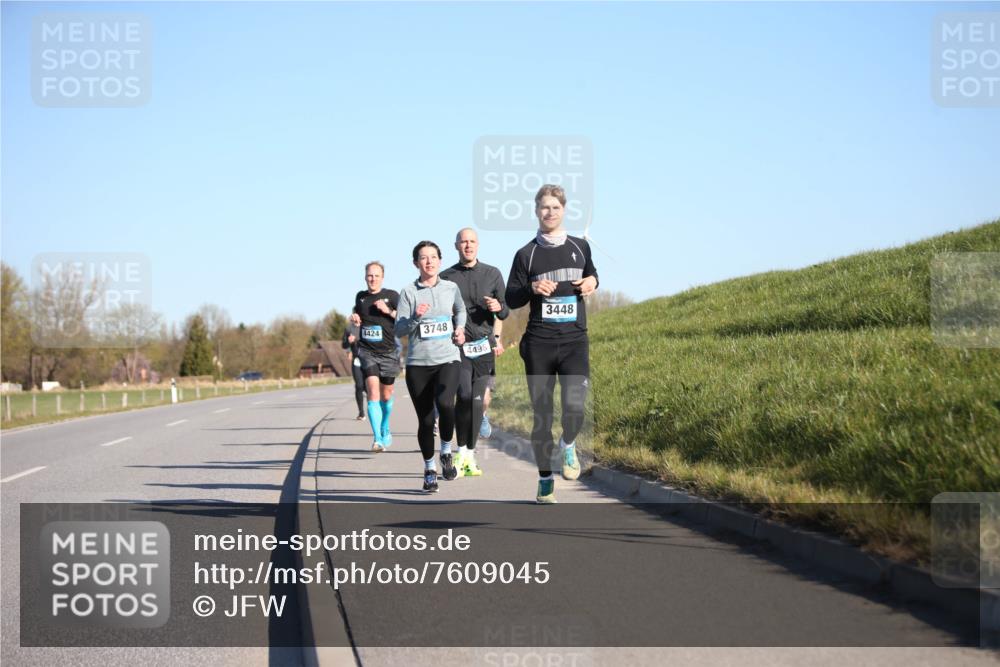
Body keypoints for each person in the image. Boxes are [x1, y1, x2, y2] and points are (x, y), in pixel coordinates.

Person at [505, 184, 598, 504]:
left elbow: (592, 276)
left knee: (575, 406)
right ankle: (545, 479)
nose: (550, 212)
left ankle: (568, 444)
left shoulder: (581, 246)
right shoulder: (525, 254)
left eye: (555, 207)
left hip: (574, 341)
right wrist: (532, 287)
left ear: (564, 210)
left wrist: (592, 282)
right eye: (544, 207)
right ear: (536, 211)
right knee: (542, 414)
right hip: (540, 344)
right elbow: (511, 297)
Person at [396, 241, 467, 492]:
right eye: (423, 258)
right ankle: (429, 469)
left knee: (447, 404)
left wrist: (459, 329)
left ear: (440, 260)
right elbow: (399, 329)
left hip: (448, 358)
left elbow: (460, 310)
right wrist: (415, 317)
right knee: (426, 421)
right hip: (418, 365)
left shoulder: (451, 287)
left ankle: (446, 452)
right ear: (416, 263)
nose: (429, 261)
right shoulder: (408, 293)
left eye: (434, 257)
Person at [441, 228, 509, 476]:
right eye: (463, 242)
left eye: (472, 242)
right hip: (457, 346)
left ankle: (469, 455)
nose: (468, 246)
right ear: (456, 245)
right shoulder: (446, 277)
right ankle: (462, 454)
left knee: (478, 402)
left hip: (483, 346)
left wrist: (497, 306)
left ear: (478, 245)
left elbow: (504, 312)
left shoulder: (493, 273)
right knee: (465, 396)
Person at [349, 261, 401, 451]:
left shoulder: (392, 295)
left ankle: (385, 426)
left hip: (388, 352)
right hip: (367, 351)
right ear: (365, 277)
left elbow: (404, 318)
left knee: (387, 396)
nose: (373, 279)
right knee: (372, 391)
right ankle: (377, 438)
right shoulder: (360, 297)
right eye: (370, 275)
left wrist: (388, 311)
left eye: (376, 275)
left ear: (382, 277)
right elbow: (358, 316)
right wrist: (355, 319)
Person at [479, 318, 504, 439]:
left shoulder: (489, 299)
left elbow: (498, 317)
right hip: (464, 348)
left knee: (484, 397)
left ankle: (482, 415)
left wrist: (497, 339)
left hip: (485, 348)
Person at [341, 322, 366, 420]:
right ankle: (361, 412)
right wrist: (348, 342)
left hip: (369, 359)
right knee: (359, 386)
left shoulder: (367, 324)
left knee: (368, 388)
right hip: (357, 360)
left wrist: (356, 339)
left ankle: (374, 408)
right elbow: (344, 345)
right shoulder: (349, 328)